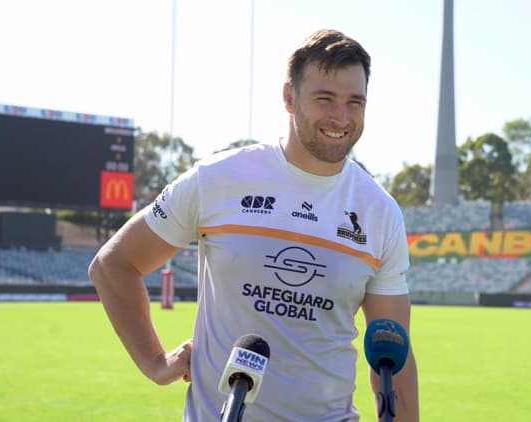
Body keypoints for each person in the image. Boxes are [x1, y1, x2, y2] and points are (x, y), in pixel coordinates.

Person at [89, 28, 419, 421]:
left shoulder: (380, 210)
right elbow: (113, 265)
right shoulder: (217, 178)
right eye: (324, 98)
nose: (341, 117)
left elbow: (392, 358)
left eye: (355, 102)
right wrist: (155, 363)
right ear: (288, 98)